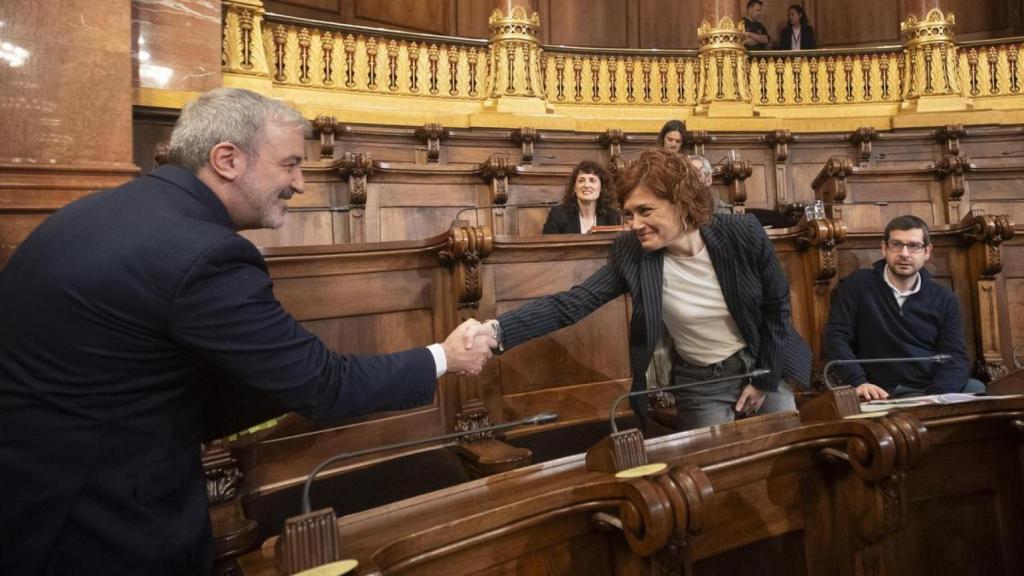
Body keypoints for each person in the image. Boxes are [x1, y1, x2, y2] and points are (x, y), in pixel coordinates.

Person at [0, 88, 495, 575]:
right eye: (289, 164)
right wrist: (444, 357)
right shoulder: (202, 253)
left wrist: (293, 375)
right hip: (101, 527)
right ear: (227, 159)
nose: (300, 183)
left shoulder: (95, 214)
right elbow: (324, 386)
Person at [476, 148, 811, 431]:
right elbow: (572, 304)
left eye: (645, 211)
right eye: (629, 213)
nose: (634, 224)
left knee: (790, 462)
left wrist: (764, 381)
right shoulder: (632, 253)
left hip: (762, 362)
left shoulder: (742, 233)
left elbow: (777, 308)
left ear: (681, 203)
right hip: (701, 381)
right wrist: (495, 332)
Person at [823, 215, 981, 401]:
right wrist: (858, 381)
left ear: (927, 251)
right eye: (896, 245)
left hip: (932, 388)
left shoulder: (944, 298)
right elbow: (836, 338)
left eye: (913, 246)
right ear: (884, 248)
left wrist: (934, 397)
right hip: (880, 390)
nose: (904, 254)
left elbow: (955, 357)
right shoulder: (857, 285)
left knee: (979, 390)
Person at [542, 160, 622, 234]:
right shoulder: (558, 215)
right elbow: (548, 247)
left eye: (592, 180)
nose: (586, 185)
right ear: (574, 188)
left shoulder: (612, 216)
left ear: (601, 188)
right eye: (581, 180)